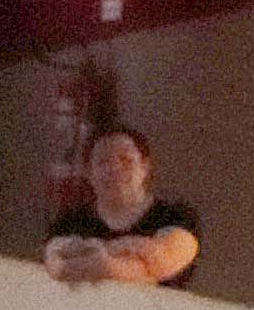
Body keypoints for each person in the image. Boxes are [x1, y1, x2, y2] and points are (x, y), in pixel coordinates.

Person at [39, 123, 205, 287]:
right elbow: (57, 268)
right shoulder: (69, 223)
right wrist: (134, 252)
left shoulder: (176, 218)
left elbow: (165, 261)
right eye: (103, 162)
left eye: (125, 159)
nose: (114, 169)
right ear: (89, 173)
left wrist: (97, 257)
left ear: (145, 167)